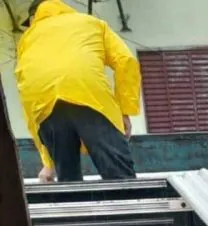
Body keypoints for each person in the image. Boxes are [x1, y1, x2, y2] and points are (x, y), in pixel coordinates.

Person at [16, 0, 141, 183]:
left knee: (68, 180)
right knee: (119, 175)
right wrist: (124, 110)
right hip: (89, 96)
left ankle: (69, 198)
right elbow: (126, 61)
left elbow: (26, 94)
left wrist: (47, 162)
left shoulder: (27, 39)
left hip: (44, 104)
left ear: (34, 16)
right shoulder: (91, 23)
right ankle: (131, 206)